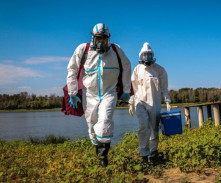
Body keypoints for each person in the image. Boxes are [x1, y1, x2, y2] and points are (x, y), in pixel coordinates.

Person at [66, 23, 131, 167]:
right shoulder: (83, 50)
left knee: (105, 120)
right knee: (92, 125)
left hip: (109, 92)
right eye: (98, 40)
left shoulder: (116, 50)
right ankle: (98, 148)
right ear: (93, 39)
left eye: (104, 40)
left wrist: (126, 90)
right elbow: (72, 69)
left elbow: (127, 66)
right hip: (89, 94)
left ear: (109, 39)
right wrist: (72, 92)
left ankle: (103, 157)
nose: (101, 43)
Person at [128, 42, 171, 162]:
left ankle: (153, 152)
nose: (147, 58)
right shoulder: (137, 69)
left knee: (154, 129)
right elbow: (133, 88)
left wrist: (167, 100)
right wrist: (131, 103)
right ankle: (143, 153)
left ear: (152, 56)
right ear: (141, 56)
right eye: (144, 55)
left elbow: (164, 88)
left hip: (155, 103)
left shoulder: (159, 70)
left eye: (149, 55)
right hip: (140, 102)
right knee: (143, 127)